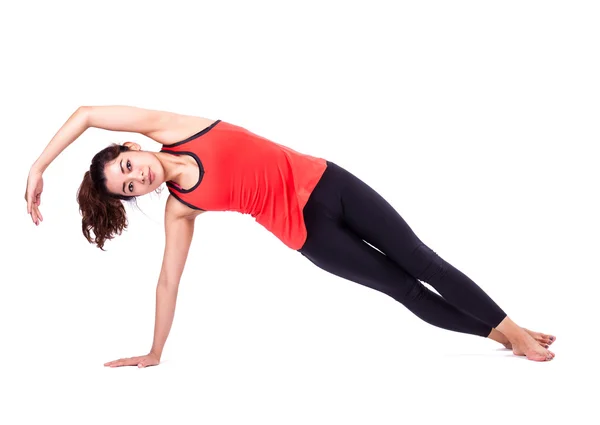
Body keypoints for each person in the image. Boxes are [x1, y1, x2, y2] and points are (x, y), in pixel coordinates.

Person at [24, 105, 556, 367]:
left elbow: (88, 112)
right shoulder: (182, 209)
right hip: (310, 237)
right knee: (407, 291)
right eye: (128, 187)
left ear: (131, 148)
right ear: (133, 196)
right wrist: (155, 350)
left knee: (423, 260)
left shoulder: (173, 127)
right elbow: (167, 281)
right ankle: (503, 336)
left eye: (128, 166)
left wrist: (39, 167)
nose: (137, 177)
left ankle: (514, 328)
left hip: (329, 183)